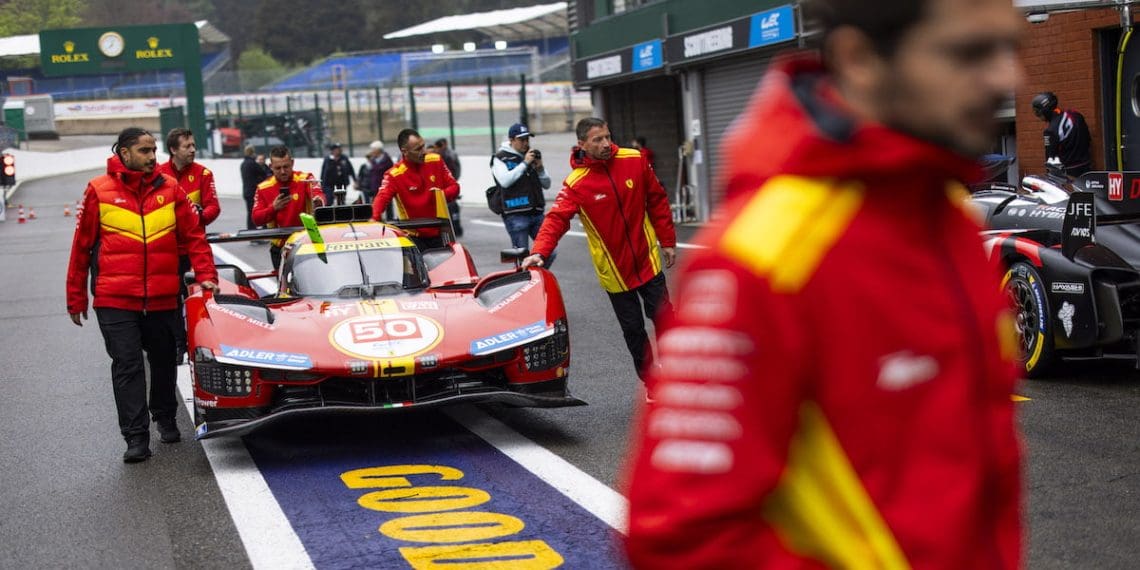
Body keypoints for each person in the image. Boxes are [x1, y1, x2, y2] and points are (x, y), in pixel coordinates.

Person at [622, 0, 1025, 567]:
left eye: (1012, 48)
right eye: (969, 53)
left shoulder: (948, 217)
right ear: (859, 58)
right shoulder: (763, 255)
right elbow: (680, 537)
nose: (1008, 78)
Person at [66, 127, 218, 463]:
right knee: (128, 364)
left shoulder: (171, 188)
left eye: (153, 151)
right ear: (124, 153)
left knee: (164, 360)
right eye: (144, 151)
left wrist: (207, 275)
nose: (152, 157)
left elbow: (194, 236)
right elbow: (81, 246)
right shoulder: (98, 190)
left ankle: (164, 415)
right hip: (114, 298)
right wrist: (75, 297)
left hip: (162, 296)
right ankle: (135, 437)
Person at [522, 117, 676, 383]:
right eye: (597, 140)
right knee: (634, 331)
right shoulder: (576, 183)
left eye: (608, 136)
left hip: (647, 260)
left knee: (665, 318)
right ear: (582, 144)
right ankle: (652, 382)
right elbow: (557, 219)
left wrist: (668, 241)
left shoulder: (634, 159)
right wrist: (539, 251)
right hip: (614, 273)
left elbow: (657, 199)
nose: (606, 144)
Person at [155, 127, 219, 363]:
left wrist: (198, 217)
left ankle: (200, 341)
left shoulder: (203, 173)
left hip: (194, 248)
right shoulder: (158, 174)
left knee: (199, 297)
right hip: (168, 250)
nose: (193, 149)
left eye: (193, 145)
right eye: (187, 146)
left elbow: (214, 207)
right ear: (173, 150)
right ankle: (178, 344)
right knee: (171, 301)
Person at [370, 128, 460, 250]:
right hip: (413, 238)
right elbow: (381, 198)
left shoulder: (436, 160)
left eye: (423, 146)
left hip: (440, 232)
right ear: (404, 151)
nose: (423, 152)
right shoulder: (394, 174)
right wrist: (373, 219)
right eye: (418, 149)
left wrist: (440, 195)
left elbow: (455, 187)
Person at [492, 122, 555, 266]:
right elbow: (505, 181)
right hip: (516, 214)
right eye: (521, 139)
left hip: (536, 212)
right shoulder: (500, 157)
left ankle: (536, 276)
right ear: (511, 140)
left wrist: (540, 169)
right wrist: (525, 164)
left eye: (527, 139)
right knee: (522, 257)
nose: (525, 143)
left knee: (549, 252)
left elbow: (547, 184)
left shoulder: (532, 156)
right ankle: (526, 278)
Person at [252, 145, 326, 268]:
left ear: (292, 163)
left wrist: (318, 202)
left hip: (306, 244)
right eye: (278, 168)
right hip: (280, 248)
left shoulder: (306, 179)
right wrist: (273, 208)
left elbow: (319, 195)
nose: (282, 171)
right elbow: (256, 219)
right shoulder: (262, 188)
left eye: (286, 167)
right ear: (270, 166)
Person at [1032, 91, 1092, 177]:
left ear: (1045, 110)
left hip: (1068, 173)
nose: (1039, 116)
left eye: (1038, 113)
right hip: (1087, 167)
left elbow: (1051, 160)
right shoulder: (1076, 115)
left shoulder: (1050, 131)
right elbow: (1088, 139)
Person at [240, 145, 268, 231]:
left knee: (249, 212)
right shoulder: (252, 164)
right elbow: (263, 173)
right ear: (252, 153)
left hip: (246, 191)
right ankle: (254, 229)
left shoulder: (243, 164)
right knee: (256, 211)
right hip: (253, 191)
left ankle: (251, 229)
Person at [359, 140, 394, 205]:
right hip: (375, 189)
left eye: (373, 149)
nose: (372, 151)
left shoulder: (387, 160)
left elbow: (391, 174)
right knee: (376, 206)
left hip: (385, 188)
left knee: (387, 206)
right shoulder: (373, 160)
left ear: (378, 150)